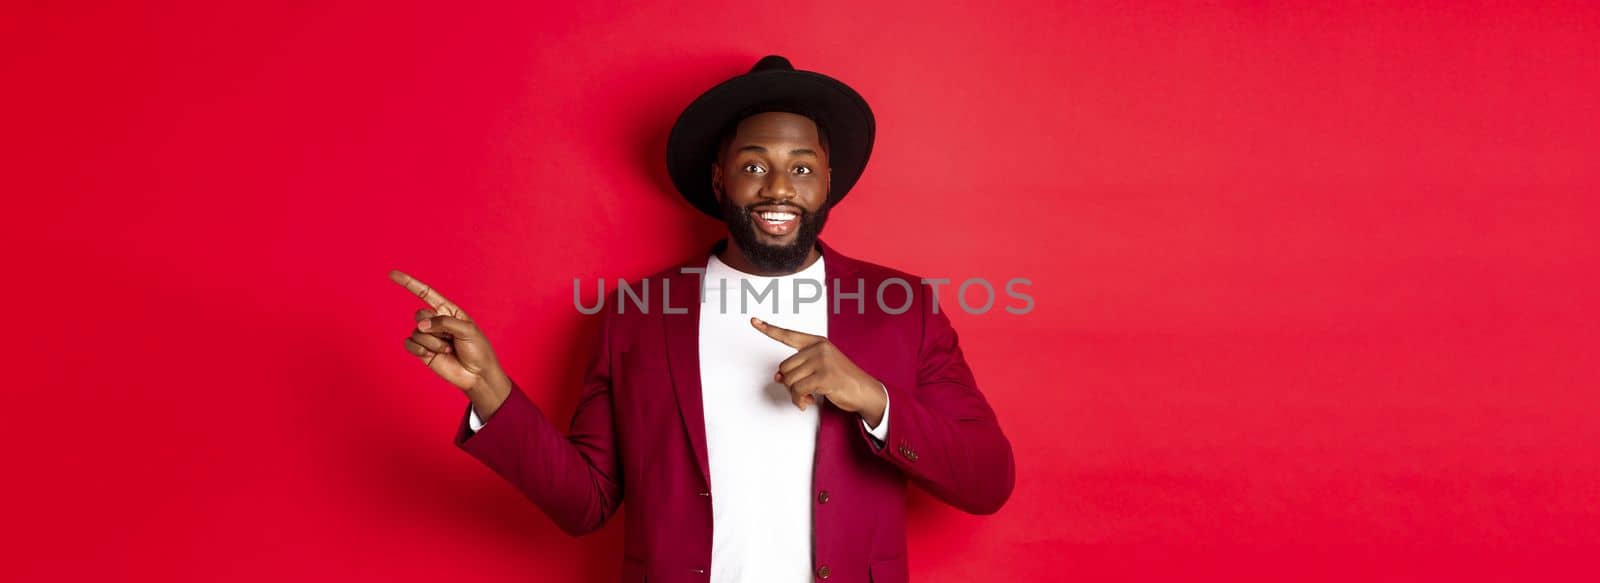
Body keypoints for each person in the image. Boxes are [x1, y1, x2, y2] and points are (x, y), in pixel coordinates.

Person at [389, 54, 1014, 583]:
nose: (778, 187)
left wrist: (872, 399)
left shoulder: (899, 308)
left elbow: (987, 481)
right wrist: (486, 388)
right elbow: (587, 503)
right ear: (720, 179)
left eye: (801, 167)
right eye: (753, 165)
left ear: (828, 181)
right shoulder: (637, 316)